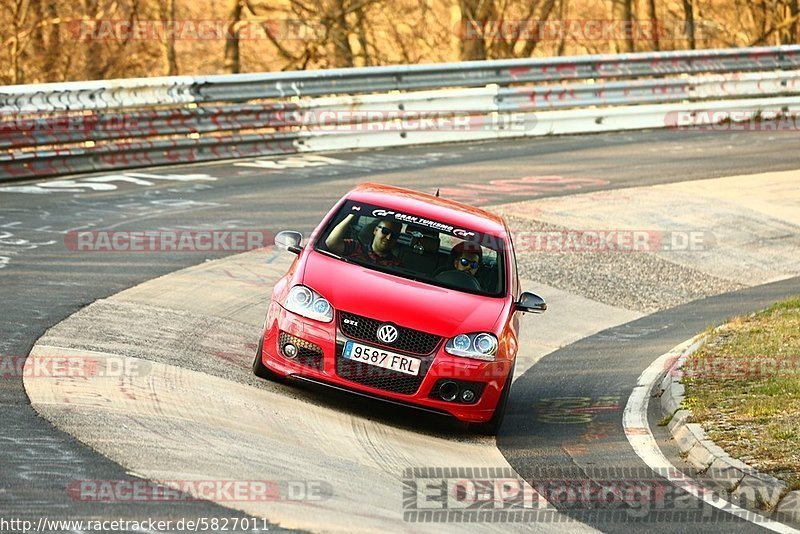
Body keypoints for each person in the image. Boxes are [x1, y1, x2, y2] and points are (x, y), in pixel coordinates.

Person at [325, 214, 402, 266]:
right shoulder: (355, 247)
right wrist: (354, 213)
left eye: (394, 235)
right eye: (385, 231)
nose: (388, 238)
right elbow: (331, 243)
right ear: (375, 230)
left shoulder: (396, 264)